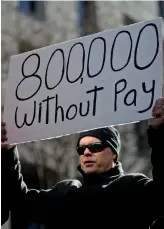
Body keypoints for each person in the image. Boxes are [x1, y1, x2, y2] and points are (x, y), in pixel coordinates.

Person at [1, 97, 164, 229]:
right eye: (81, 148)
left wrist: (160, 131)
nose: (86, 152)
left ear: (114, 153)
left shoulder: (132, 187)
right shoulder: (65, 192)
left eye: (95, 146)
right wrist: (7, 152)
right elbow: (20, 202)